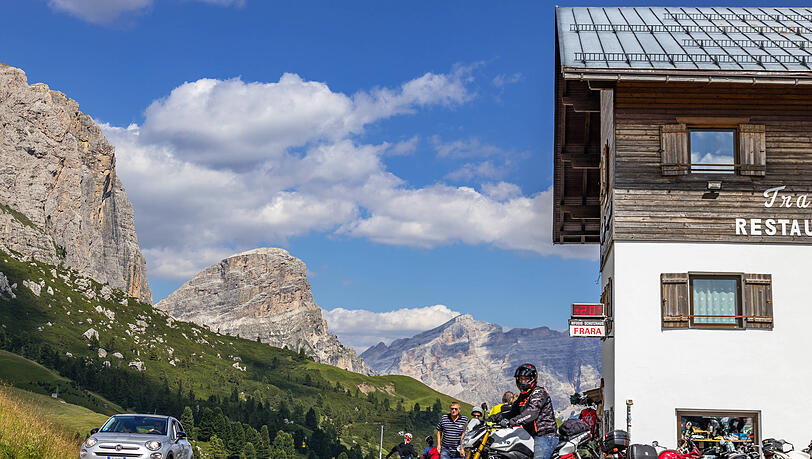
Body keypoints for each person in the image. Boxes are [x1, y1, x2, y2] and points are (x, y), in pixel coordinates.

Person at [499, 363, 558, 459]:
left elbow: (532, 412)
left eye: (526, 379)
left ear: (532, 379)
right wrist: (493, 418)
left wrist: (513, 421)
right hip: (529, 435)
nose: (523, 382)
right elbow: (513, 411)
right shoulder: (523, 396)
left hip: (544, 436)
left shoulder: (539, 393)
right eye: (521, 379)